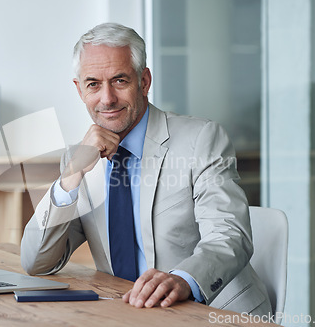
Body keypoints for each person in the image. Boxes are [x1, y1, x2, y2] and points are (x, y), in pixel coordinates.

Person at [20, 22, 271, 315]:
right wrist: (71, 176)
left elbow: (229, 236)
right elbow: (37, 262)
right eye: (93, 84)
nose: (107, 98)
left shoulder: (201, 139)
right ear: (79, 90)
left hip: (214, 312)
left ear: (144, 81)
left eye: (119, 81)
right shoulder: (80, 161)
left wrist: (182, 280)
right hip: (129, 313)